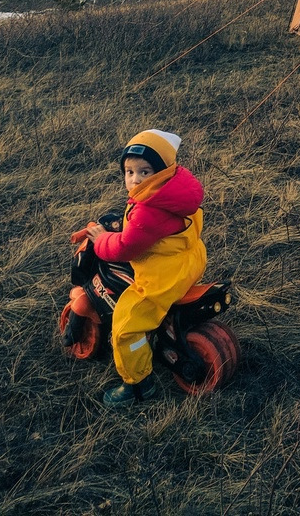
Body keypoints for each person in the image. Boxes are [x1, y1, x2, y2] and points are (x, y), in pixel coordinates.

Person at [87, 128, 207, 408]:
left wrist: (101, 241)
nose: (135, 179)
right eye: (129, 172)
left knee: (126, 325)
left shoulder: (149, 209)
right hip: (188, 260)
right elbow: (147, 229)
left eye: (145, 171)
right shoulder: (175, 189)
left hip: (161, 276)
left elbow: (125, 248)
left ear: (162, 170)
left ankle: (138, 385)